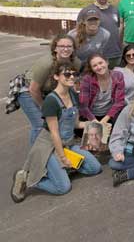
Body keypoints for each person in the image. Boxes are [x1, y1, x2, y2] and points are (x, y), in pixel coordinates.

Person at [10, 63, 102, 203]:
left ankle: (59, 171)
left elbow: (76, 124)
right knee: (63, 187)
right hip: (49, 148)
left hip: (68, 144)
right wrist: (63, 158)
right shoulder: (51, 101)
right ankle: (26, 177)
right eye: (67, 74)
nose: (72, 77)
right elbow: (54, 134)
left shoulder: (72, 94)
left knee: (95, 168)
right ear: (56, 76)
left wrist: (94, 125)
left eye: (74, 74)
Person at [17, 34, 81, 145]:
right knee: (40, 124)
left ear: (73, 48)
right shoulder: (46, 64)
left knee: (57, 121)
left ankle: (54, 147)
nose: (65, 49)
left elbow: (72, 82)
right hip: (28, 91)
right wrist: (43, 106)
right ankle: (36, 154)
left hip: (48, 91)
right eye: (62, 46)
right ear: (55, 48)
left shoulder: (76, 63)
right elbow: (33, 89)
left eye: (69, 46)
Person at [77, 0, 121, 68]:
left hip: (115, 54)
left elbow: (118, 28)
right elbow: (79, 32)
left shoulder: (115, 10)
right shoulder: (86, 11)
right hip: (95, 56)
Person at [79, 53, 126, 124]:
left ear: (107, 62)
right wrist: (95, 121)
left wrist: (106, 119)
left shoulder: (118, 76)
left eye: (101, 63)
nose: (99, 67)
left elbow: (119, 102)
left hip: (110, 114)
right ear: (91, 69)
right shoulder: (87, 80)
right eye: (95, 66)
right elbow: (83, 106)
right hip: (90, 115)